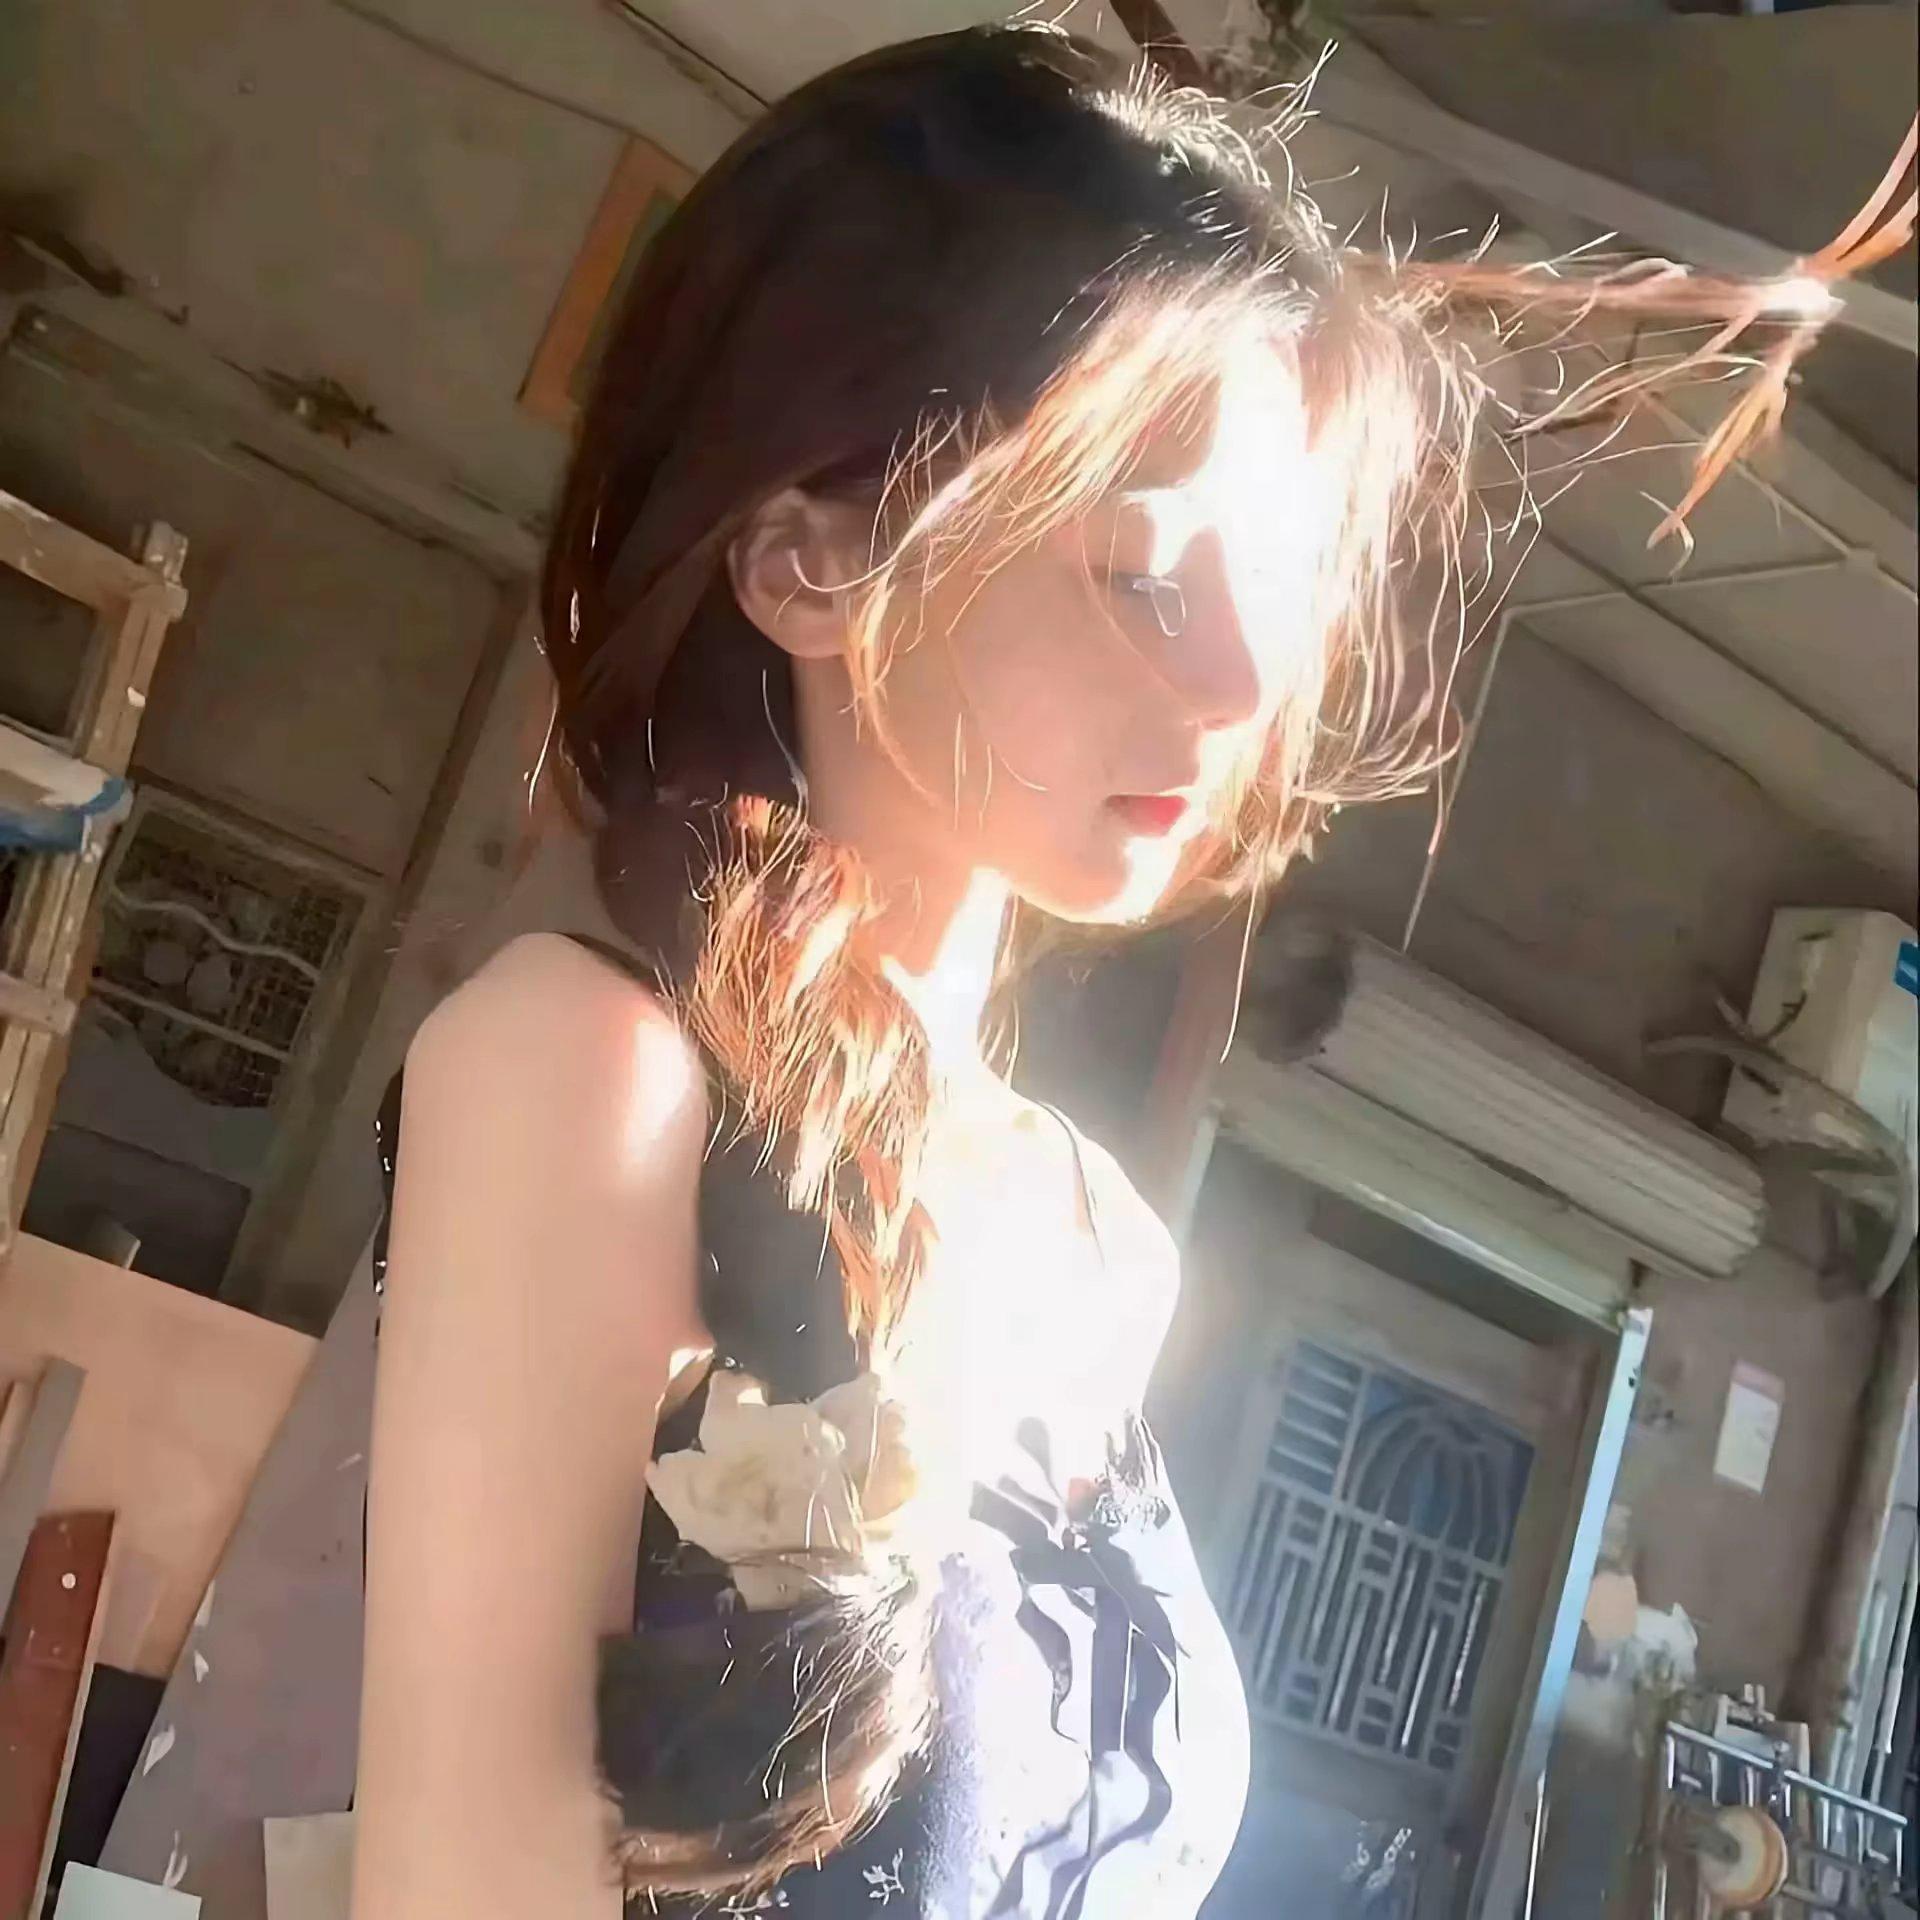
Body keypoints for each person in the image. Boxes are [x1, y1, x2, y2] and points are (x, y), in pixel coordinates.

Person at [349, 25, 1895, 1919]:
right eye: (1145, 574)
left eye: (1282, 593)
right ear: (810, 566)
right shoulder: (584, 1076)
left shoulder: (1101, 1242)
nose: (1245, 688)